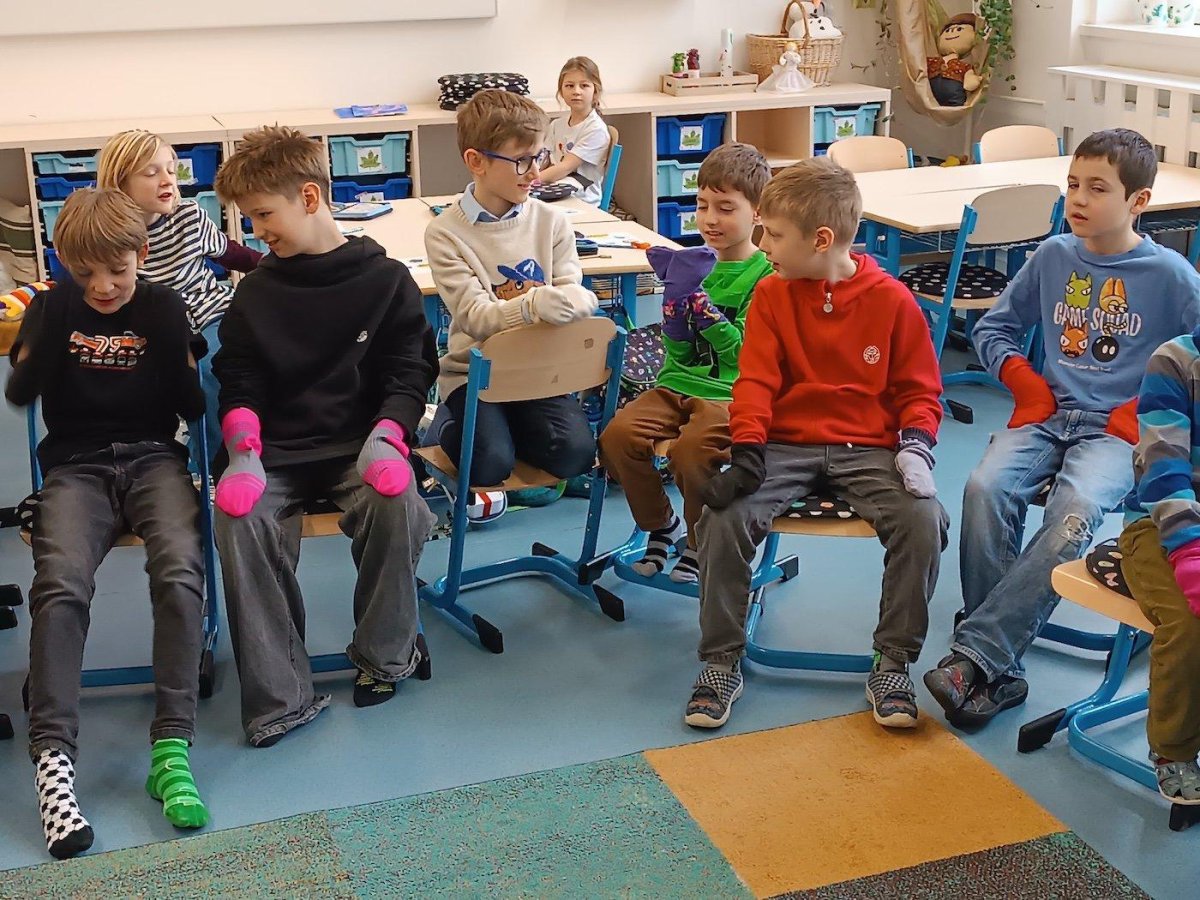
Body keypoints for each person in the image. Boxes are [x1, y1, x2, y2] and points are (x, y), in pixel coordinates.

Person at [924, 128, 1200, 729]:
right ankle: (995, 663)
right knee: (984, 488)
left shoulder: (1171, 274)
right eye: (1073, 184)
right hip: (1047, 415)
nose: (1078, 198)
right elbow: (992, 329)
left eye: (1098, 188)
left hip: (1117, 433)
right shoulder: (1053, 256)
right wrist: (1024, 383)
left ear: (1138, 201)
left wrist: (1147, 409)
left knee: (1072, 510)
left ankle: (977, 656)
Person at [686, 158, 948, 730]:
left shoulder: (893, 301)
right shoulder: (772, 295)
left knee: (923, 521)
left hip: (869, 449)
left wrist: (915, 446)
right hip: (784, 445)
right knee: (722, 518)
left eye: (775, 235)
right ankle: (720, 661)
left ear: (821, 240)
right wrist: (747, 451)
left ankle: (892, 662)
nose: (764, 246)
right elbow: (755, 381)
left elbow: (920, 390)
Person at [211, 125, 438, 747]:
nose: (256, 230)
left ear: (309, 198)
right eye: (249, 218)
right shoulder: (257, 292)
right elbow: (240, 377)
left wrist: (389, 434)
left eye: (263, 214)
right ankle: (280, 696)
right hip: (276, 454)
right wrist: (243, 446)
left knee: (399, 506)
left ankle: (386, 655)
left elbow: (409, 370)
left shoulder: (387, 281)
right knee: (239, 520)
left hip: (361, 448)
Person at [6, 188, 210, 858]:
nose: (101, 286)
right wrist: (41, 339)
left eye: (116, 271)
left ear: (140, 254)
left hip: (154, 459)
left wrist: (174, 349)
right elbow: (18, 393)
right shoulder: (53, 305)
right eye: (83, 272)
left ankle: (172, 746)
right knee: (61, 583)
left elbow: (192, 408)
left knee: (179, 570)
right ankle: (53, 763)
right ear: (62, 262)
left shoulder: (162, 306)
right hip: (76, 466)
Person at [599, 143, 773, 584]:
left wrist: (708, 316)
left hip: (731, 393)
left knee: (692, 453)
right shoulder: (691, 264)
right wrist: (676, 324)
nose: (710, 218)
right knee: (617, 437)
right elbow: (677, 353)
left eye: (725, 208)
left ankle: (700, 541)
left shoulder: (765, 277)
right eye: (702, 205)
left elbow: (744, 356)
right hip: (676, 383)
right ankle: (662, 526)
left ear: (758, 213)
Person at [424, 89, 598, 486]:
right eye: (521, 160)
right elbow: (476, 317)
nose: (536, 172)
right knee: (488, 464)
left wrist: (577, 300)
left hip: (539, 370)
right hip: (475, 375)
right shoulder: (446, 234)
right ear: (476, 162)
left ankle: (506, 428)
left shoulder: (552, 222)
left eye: (539, 157)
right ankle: (445, 424)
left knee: (576, 455)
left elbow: (571, 289)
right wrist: (533, 305)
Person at [98, 129, 263, 458]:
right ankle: (208, 460)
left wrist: (286, 265)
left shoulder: (189, 216)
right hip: (158, 331)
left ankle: (224, 457)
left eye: (172, 170)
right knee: (190, 380)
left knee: (222, 368)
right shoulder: (110, 235)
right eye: (151, 172)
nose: (167, 180)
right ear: (119, 183)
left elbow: (235, 255)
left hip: (213, 314)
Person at [1120, 327, 1200, 805]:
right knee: (1190, 622)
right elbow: (1163, 470)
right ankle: (1173, 748)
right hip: (1158, 524)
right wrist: (1190, 555)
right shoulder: (1175, 361)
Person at [536, 57, 611, 207]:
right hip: (555, 189)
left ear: (595, 91)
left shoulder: (596, 129)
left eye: (584, 85)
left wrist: (529, 181)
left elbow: (566, 167)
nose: (576, 91)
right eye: (569, 86)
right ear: (561, 91)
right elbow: (543, 160)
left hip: (582, 200)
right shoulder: (556, 125)